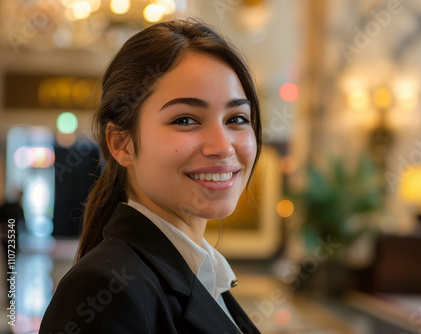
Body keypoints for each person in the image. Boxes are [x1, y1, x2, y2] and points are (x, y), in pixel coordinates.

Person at [39, 19, 262, 334]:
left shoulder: (201, 274)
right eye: (185, 119)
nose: (222, 147)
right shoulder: (106, 289)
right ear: (121, 144)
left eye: (237, 118)